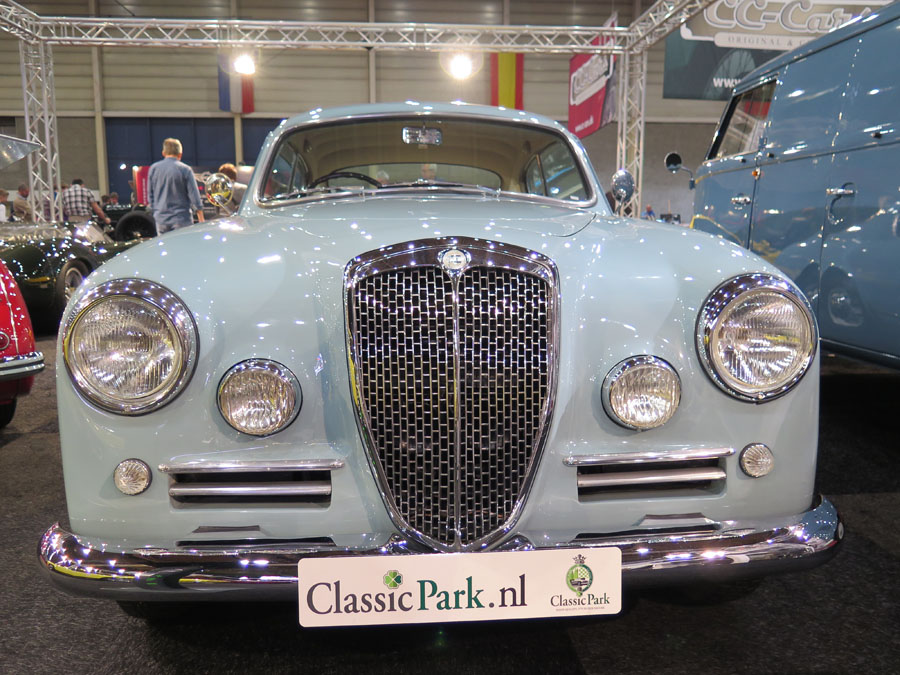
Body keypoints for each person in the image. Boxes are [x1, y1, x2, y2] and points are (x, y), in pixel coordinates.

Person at [147, 137, 205, 234]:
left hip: (161, 219)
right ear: (180, 154)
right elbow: (194, 195)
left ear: (163, 153)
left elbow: (150, 195)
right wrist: (201, 218)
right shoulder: (185, 169)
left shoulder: (153, 169)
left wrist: (156, 212)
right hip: (181, 219)